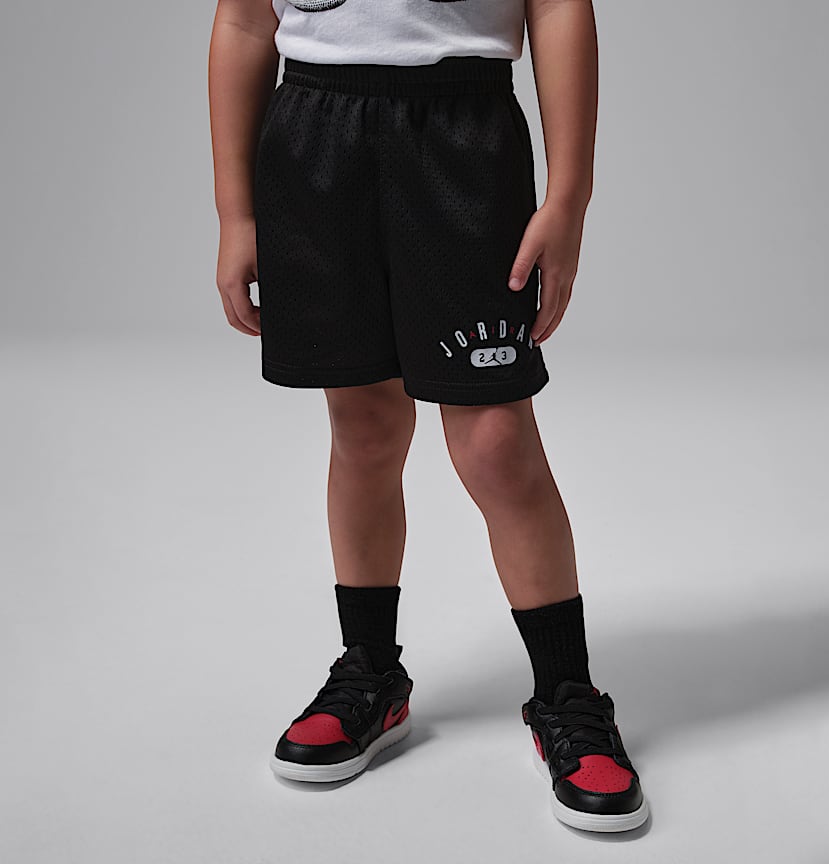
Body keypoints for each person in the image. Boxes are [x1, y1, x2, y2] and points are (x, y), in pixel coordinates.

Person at [208, 0, 649, 834]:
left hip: (461, 136)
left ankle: (567, 695)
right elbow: (242, 23)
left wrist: (570, 196)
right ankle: (370, 669)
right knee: (364, 429)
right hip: (313, 139)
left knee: (496, 444)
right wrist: (236, 212)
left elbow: (558, 6)